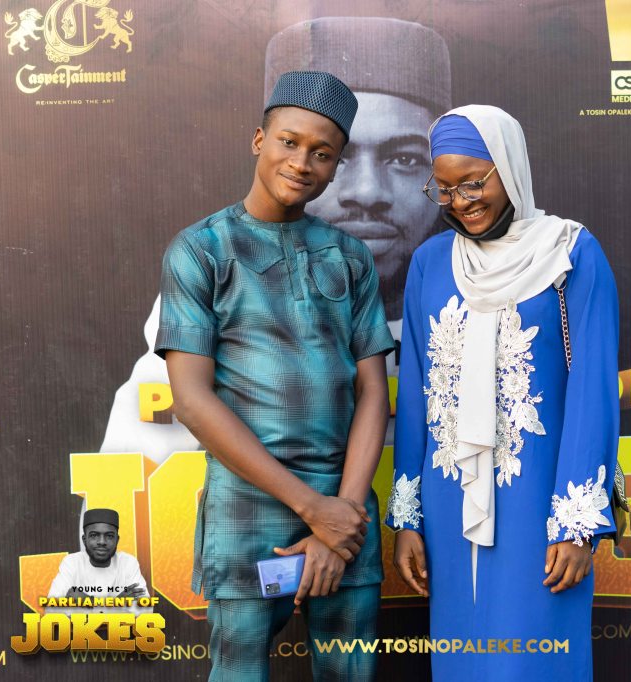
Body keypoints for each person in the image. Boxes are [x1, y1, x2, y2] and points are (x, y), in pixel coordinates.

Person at [100, 17, 450, 463]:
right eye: (341, 160)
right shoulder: (210, 268)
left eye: (404, 158)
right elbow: (138, 474)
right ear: (262, 144)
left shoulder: (467, 294)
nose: (367, 193)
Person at [157, 71, 393, 681]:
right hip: (247, 511)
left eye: (322, 153)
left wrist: (340, 515)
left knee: (350, 673)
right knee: (239, 671)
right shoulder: (201, 250)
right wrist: (313, 509)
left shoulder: (350, 256)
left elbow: (373, 391)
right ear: (259, 139)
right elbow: (192, 401)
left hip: (345, 508)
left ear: (336, 167)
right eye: (290, 142)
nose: (302, 162)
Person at [387, 106, 620, 680]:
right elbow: (416, 396)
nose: (460, 202)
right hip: (447, 502)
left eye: (473, 182)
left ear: (509, 168)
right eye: (444, 189)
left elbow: (592, 391)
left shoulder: (570, 253)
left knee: (532, 660)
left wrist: (576, 524)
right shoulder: (430, 263)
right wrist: (409, 517)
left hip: (539, 502)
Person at [47, 508, 151, 616]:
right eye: (94, 535)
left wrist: (89, 603)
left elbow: (145, 611)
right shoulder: (72, 563)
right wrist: (117, 604)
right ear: (84, 540)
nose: (102, 542)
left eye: (109, 536)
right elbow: (51, 610)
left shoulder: (128, 563)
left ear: (117, 540)